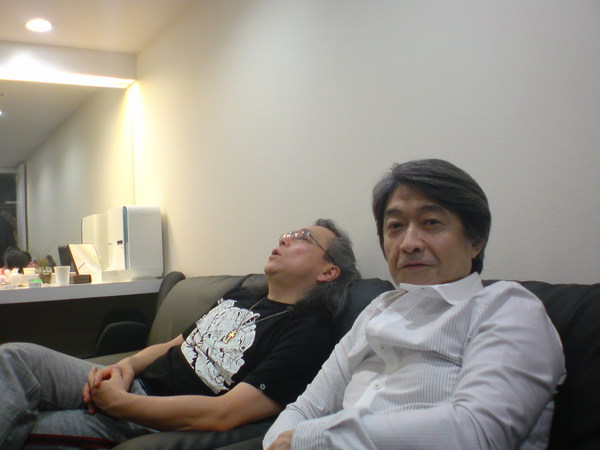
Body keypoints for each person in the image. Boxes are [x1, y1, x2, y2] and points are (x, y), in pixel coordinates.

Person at [265, 160, 565, 449]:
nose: (408, 243)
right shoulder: (377, 309)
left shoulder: (507, 307)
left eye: (430, 223)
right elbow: (304, 409)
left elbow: (477, 434)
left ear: (476, 240)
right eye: (395, 226)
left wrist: (312, 441)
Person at [0, 218, 359, 449]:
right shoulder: (243, 295)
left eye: (303, 238)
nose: (285, 238)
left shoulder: (307, 333)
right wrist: (126, 367)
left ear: (328, 272)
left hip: (156, 419)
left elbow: (225, 414)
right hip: (133, 386)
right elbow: (176, 344)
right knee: (13, 358)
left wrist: (122, 404)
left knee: (26, 425)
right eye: (288, 233)